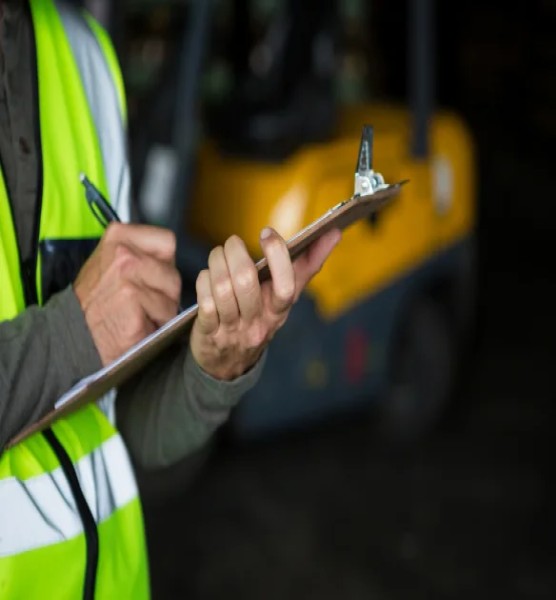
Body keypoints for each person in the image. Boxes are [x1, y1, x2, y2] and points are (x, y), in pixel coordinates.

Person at [0, 1, 341, 597]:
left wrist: (211, 371)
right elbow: (78, 339)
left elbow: (118, 428)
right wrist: (74, 332)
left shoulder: (82, 54)